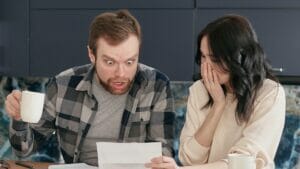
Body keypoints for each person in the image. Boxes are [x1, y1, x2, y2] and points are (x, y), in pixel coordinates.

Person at [5, 9, 175, 166]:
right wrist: (19, 119)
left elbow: (162, 154)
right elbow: (24, 150)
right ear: (91, 55)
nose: (121, 73)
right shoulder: (63, 85)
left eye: (130, 62)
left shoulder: (156, 85)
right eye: (110, 62)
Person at [145, 14, 285, 169]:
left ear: (240, 57)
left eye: (215, 59)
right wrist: (218, 104)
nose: (207, 66)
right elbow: (189, 159)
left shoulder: (269, 93)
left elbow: (243, 163)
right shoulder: (199, 90)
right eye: (204, 57)